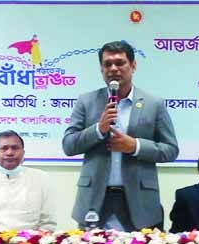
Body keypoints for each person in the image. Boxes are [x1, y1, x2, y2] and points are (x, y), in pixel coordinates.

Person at [63, 40, 178, 231]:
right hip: (94, 200)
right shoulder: (86, 101)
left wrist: (135, 146)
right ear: (101, 69)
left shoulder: (153, 104)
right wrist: (98, 129)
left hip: (139, 202)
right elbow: (68, 145)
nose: (113, 69)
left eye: (120, 63)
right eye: (107, 64)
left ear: (133, 66)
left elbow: (171, 150)